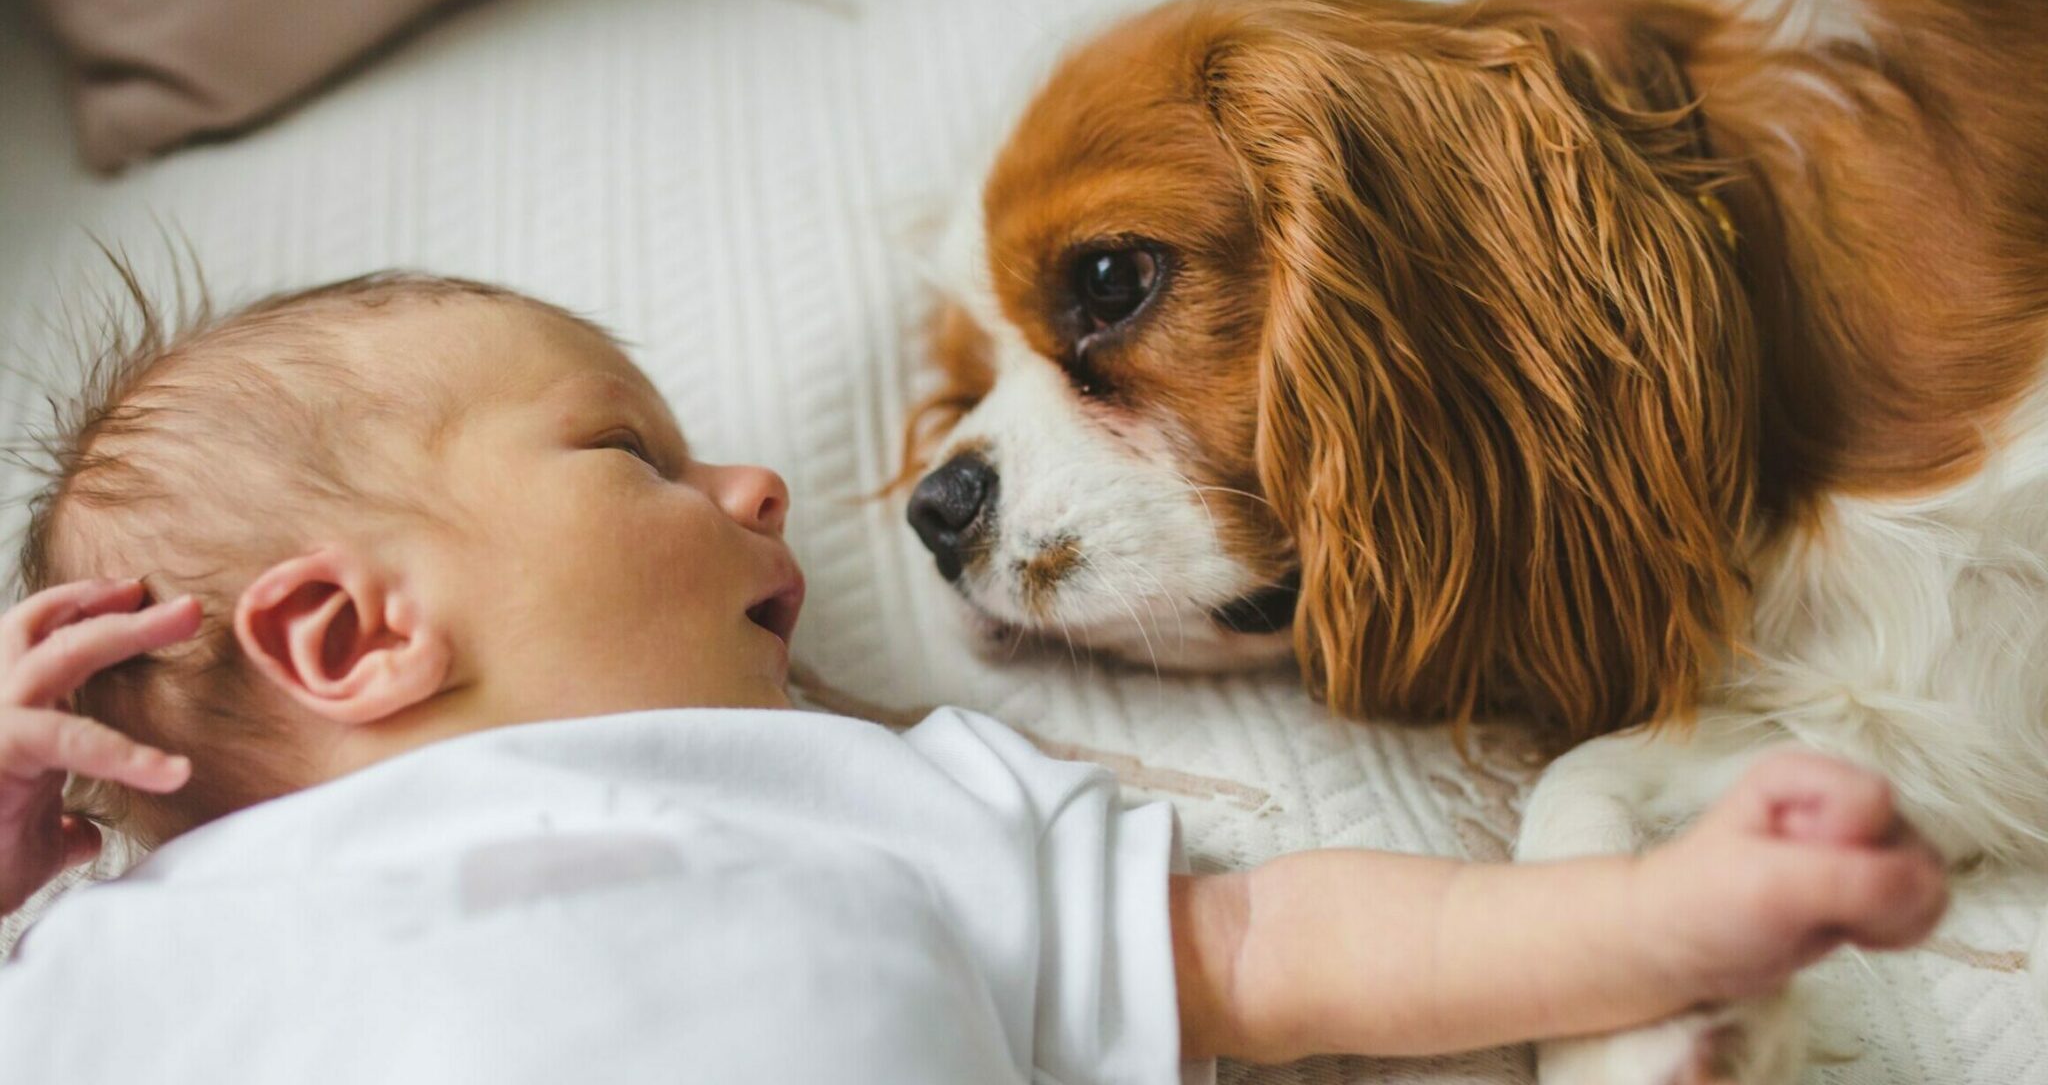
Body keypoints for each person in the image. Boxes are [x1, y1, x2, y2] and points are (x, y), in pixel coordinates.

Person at [0, 273, 1946, 1082]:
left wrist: (1655, 918)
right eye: (635, 454)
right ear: (352, 638)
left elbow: (1262, 945)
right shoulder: (102, 944)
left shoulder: (875, 791)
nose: (754, 488)